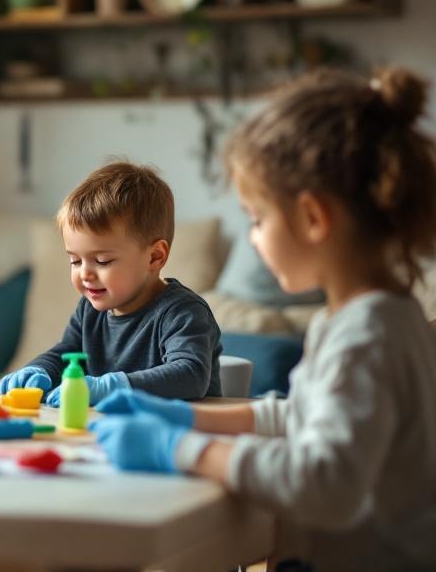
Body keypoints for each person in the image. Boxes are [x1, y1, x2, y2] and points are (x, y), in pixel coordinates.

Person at [93, 69, 436, 571]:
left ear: (314, 219)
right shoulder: (372, 314)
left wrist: (180, 449)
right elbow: (299, 416)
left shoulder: (368, 335)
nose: (253, 239)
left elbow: (323, 482)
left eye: (257, 219)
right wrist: (187, 415)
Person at [0, 161, 222, 406]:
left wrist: (111, 387)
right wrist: (38, 370)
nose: (85, 274)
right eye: (75, 261)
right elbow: (67, 354)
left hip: (180, 435)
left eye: (102, 261)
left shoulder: (183, 312)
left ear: (155, 257)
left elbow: (191, 375)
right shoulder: (89, 310)